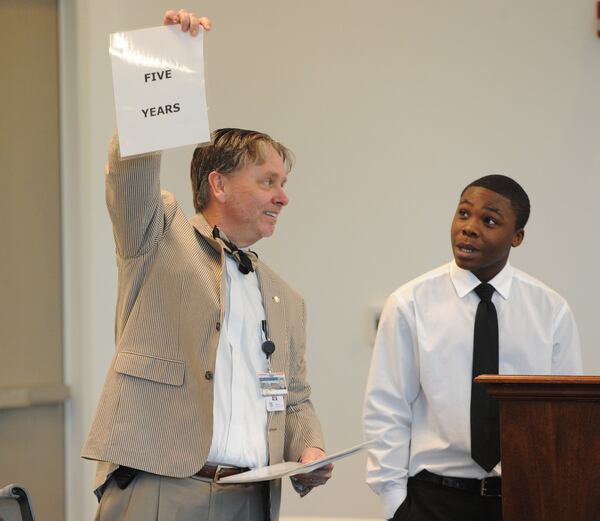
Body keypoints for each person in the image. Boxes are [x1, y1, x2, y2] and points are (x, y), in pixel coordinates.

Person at [82, 9, 332, 521]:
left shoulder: (286, 297)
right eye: (268, 181)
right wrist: (165, 59)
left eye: (284, 184)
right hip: (162, 489)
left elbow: (295, 397)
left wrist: (310, 450)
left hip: (253, 499)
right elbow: (129, 173)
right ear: (218, 184)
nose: (283, 197)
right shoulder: (158, 233)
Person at [362, 174, 582, 521]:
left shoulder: (550, 310)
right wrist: (394, 503)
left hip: (524, 498)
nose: (469, 228)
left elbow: (565, 418)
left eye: (489, 221)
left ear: (517, 237)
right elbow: (386, 407)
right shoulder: (410, 303)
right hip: (432, 499)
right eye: (463, 214)